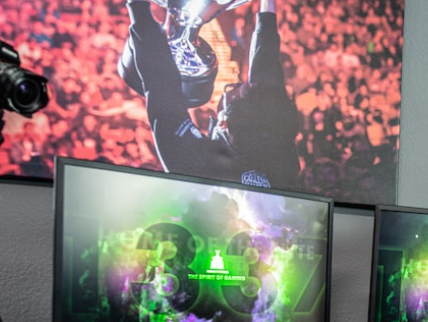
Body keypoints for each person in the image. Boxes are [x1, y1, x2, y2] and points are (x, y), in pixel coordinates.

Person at [123, 0, 300, 188]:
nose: (235, 85)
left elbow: (161, 89)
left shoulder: (195, 167)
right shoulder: (271, 136)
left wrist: (137, 6)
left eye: (233, 90)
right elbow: (265, 58)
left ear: (223, 124)